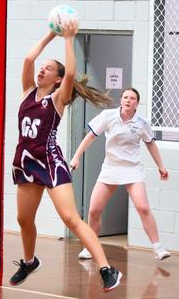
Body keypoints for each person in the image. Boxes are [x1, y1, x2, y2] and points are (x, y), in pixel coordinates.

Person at [10, 22, 123, 292]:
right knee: (23, 220)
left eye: (48, 68)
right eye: (42, 67)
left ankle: (107, 269)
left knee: (71, 219)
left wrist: (69, 39)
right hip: (26, 162)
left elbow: (71, 71)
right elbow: (28, 58)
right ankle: (29, 261)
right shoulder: (27, 93)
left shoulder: (58, 98)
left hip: (50, 162)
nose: (41, 69)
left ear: (58, 80)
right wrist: (51, 32)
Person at [69, 87, 171, 261]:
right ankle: (89, 247)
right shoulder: (108, 116)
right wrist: (76, 157)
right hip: (110, 168)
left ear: (137, 104)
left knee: (143, 208)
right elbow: (90, 137)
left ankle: (158, 248)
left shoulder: (142, 123)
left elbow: (150, 144)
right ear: (121, 100)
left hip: (133, 169)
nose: (127, 100)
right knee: (94, 210)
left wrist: (161, 166)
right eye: (125, 97)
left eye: (132, 98)